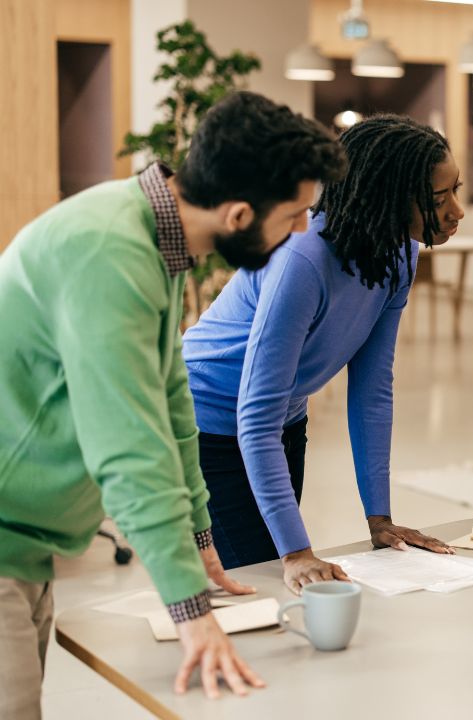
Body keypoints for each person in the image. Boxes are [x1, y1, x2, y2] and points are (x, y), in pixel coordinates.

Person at [0, 91, 346, 713]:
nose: (302, 230)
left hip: (24, 536)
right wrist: (189, 611)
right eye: (294, 214)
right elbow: (130, 447)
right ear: (240, 214)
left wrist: (198, 534)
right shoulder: (111, 251)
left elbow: (171, 402)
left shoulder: (157, 238)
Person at [182, 115, 463, 594]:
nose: (456, 210)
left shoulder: (399, 253)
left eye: (454, 190)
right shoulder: (302, 258)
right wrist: (296, 551)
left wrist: (381, 518)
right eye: (439, 198)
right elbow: (254, 413)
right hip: (207, 423)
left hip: (283, 421)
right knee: (258, 581)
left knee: (278, 578)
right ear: (390, 195)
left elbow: (372, 390)